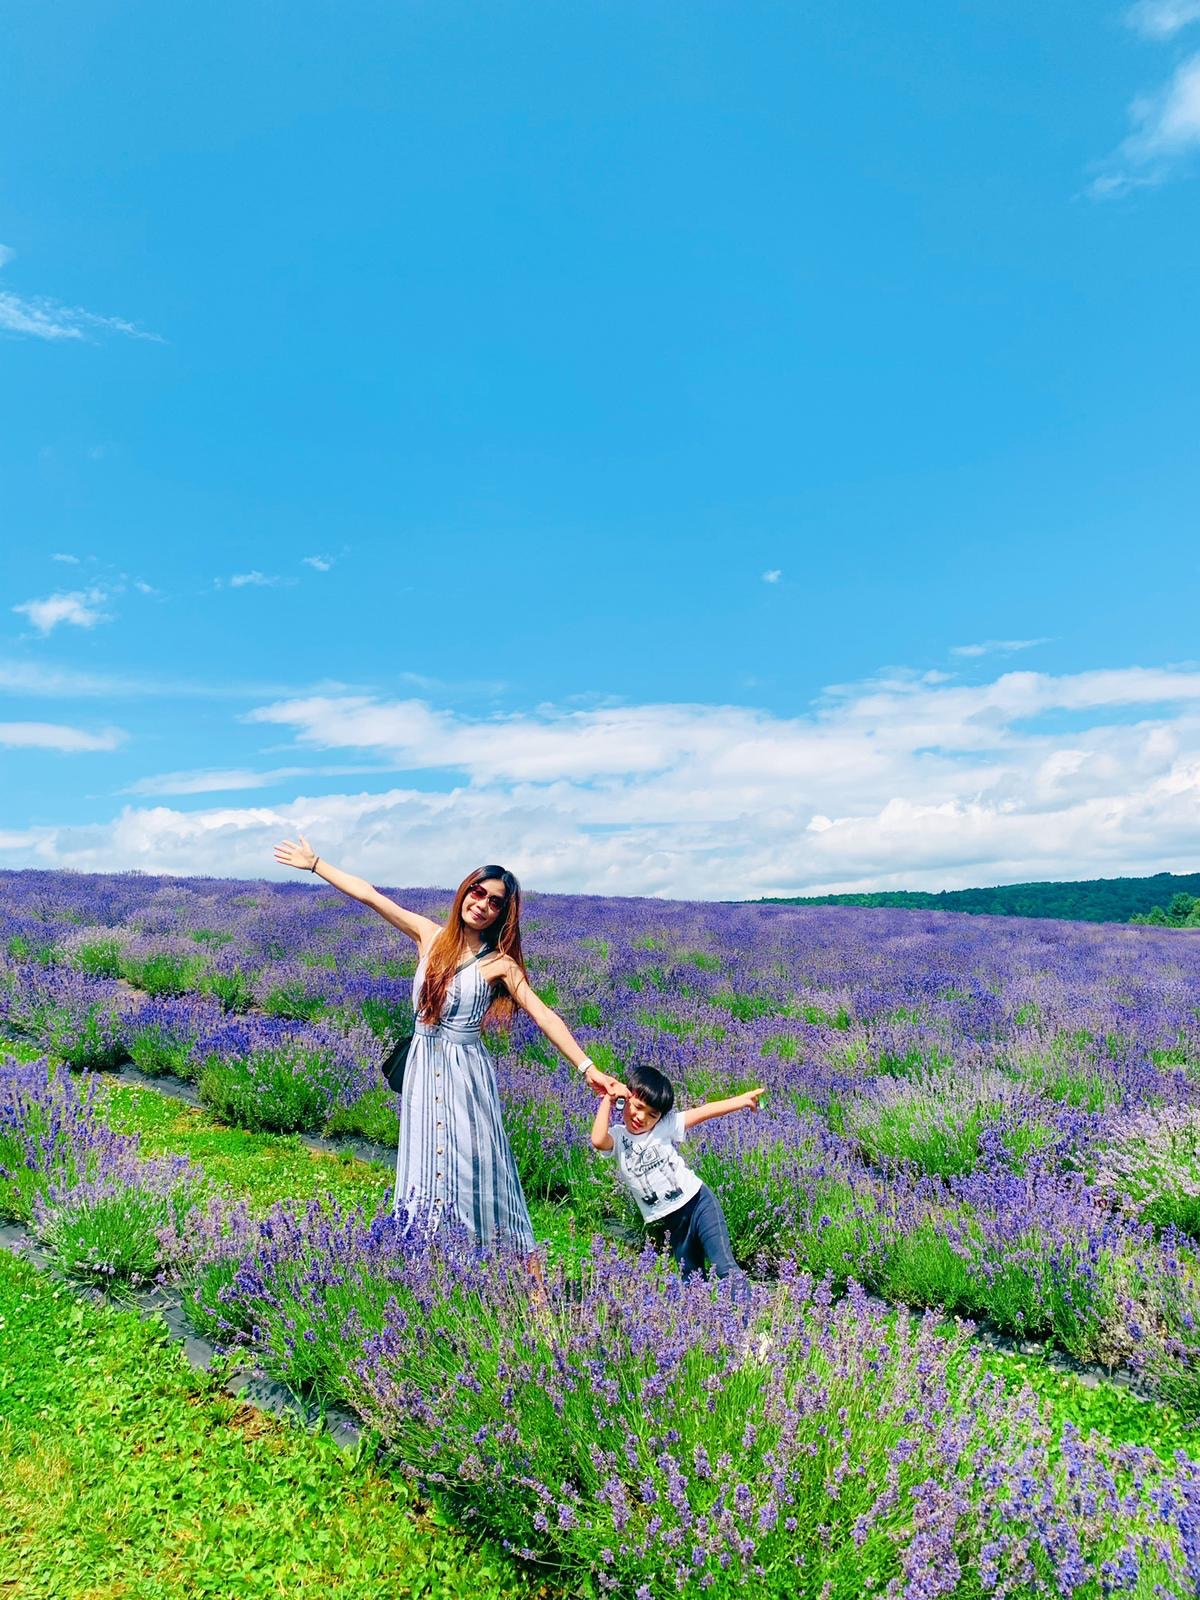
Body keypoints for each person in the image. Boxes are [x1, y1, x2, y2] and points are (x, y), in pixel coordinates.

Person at [272, 836, 618, 1253]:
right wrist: (316, 865)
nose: (483, 904)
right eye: (479, 892)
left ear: (501, 915)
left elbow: (543, 1015)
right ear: (465, 890)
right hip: (423, 1065)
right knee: (423, 1157)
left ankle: (509, 1260)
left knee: (479, 1164)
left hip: (465, 1074)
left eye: (495, 903)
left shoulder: (499, 964)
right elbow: (370, 895)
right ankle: (430, 1257)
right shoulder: (429, 936)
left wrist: (588, 1069)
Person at [590, 1062, 763, 1292]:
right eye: (638, 1106)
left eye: (652, 1114)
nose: (642, 1117)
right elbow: (598, 1140)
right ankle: (703, 1327)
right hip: (674, 1222)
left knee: (724, 1267)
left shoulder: (664, 1126)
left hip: (700, 1203)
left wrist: (741, 1100)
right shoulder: (619, 1138)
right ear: (626, 1099)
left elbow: (703, 1112)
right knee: (691, 1281)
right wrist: (607, 1100)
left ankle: (748, 1324)